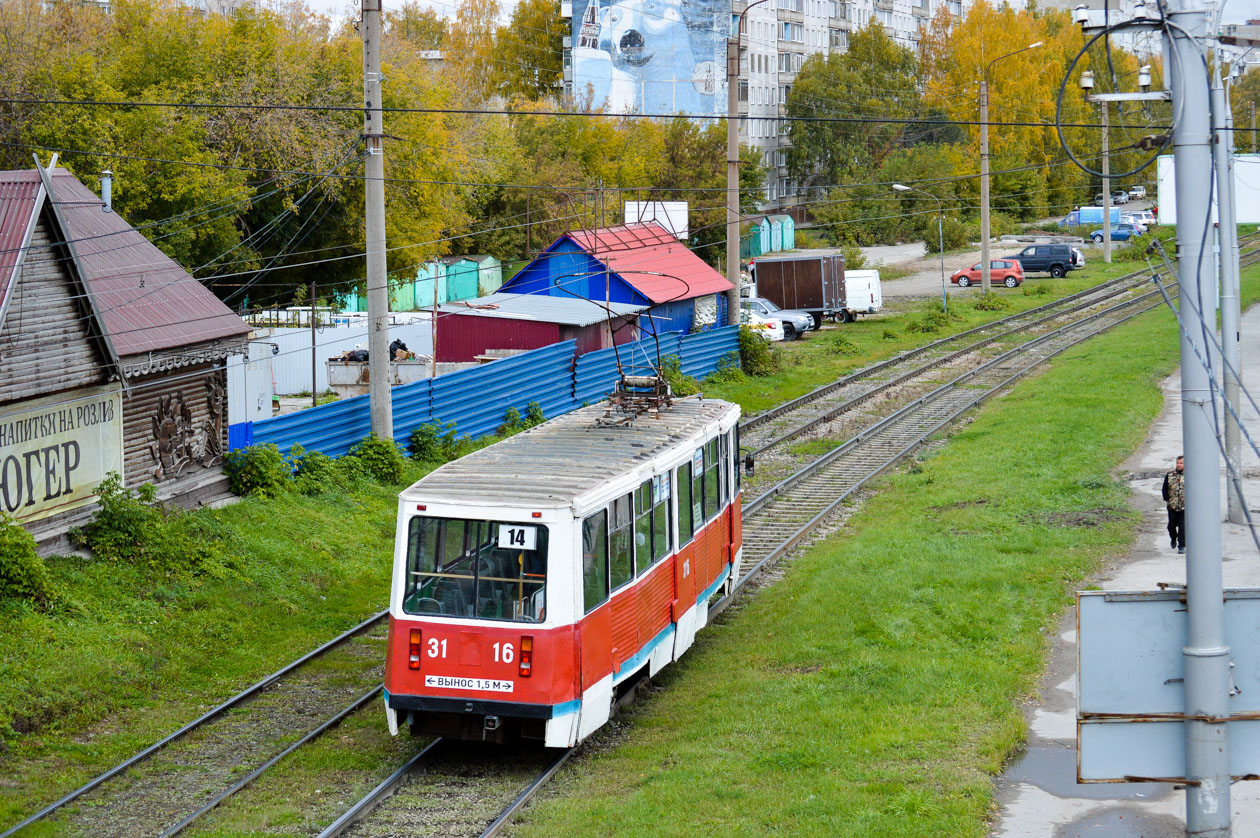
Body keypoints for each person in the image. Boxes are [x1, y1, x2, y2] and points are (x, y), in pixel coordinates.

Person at [1162, 455, 1185, 554]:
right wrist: (1167, 499)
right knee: (1171, 526)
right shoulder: (1170, 475)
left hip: (1184, 506)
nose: (1179, 465)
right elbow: (1164, 488)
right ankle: (1173, 537)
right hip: (1172, 505)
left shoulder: (1190, 475)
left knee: (1182, 526)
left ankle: (1181, 546)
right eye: (1177, 463)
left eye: (1181, 463)